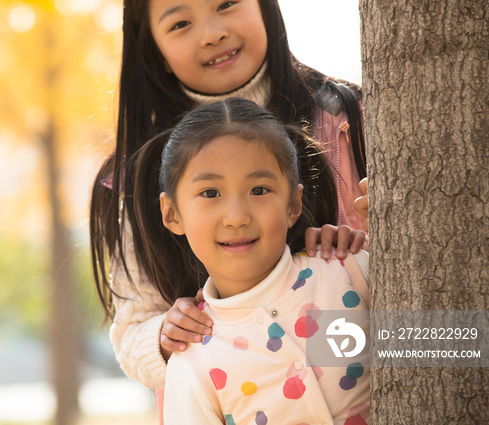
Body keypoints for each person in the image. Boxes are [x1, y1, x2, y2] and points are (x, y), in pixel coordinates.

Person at [89, 0, 368, 393]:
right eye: (180, 24)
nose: (211, 32)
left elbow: (457, 339)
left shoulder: (350, 121)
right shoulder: (142, 176)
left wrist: (370, 248)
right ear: (155, 53)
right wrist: (166, 334)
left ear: (263, 4)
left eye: (226, 4)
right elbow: (131, 330)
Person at [132, 97, 369, 424]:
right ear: (172, 214)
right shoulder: (194, 362)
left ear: (293, 204)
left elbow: (453, 344)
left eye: (258, 190)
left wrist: (392, 241)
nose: (236, 217)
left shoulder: (347, 271)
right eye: (211, 193)